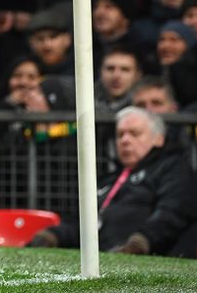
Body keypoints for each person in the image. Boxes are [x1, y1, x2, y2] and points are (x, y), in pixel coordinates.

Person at [28, 107, 197, 257]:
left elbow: (172, 213)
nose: (124, 140)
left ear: (158, 139)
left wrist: (140, 242)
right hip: (103, 256)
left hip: (148, 256)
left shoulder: (173, 168)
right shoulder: (110, 178)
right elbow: (82, 223)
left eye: (134, 133)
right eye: (120, 134)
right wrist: (52, 235)